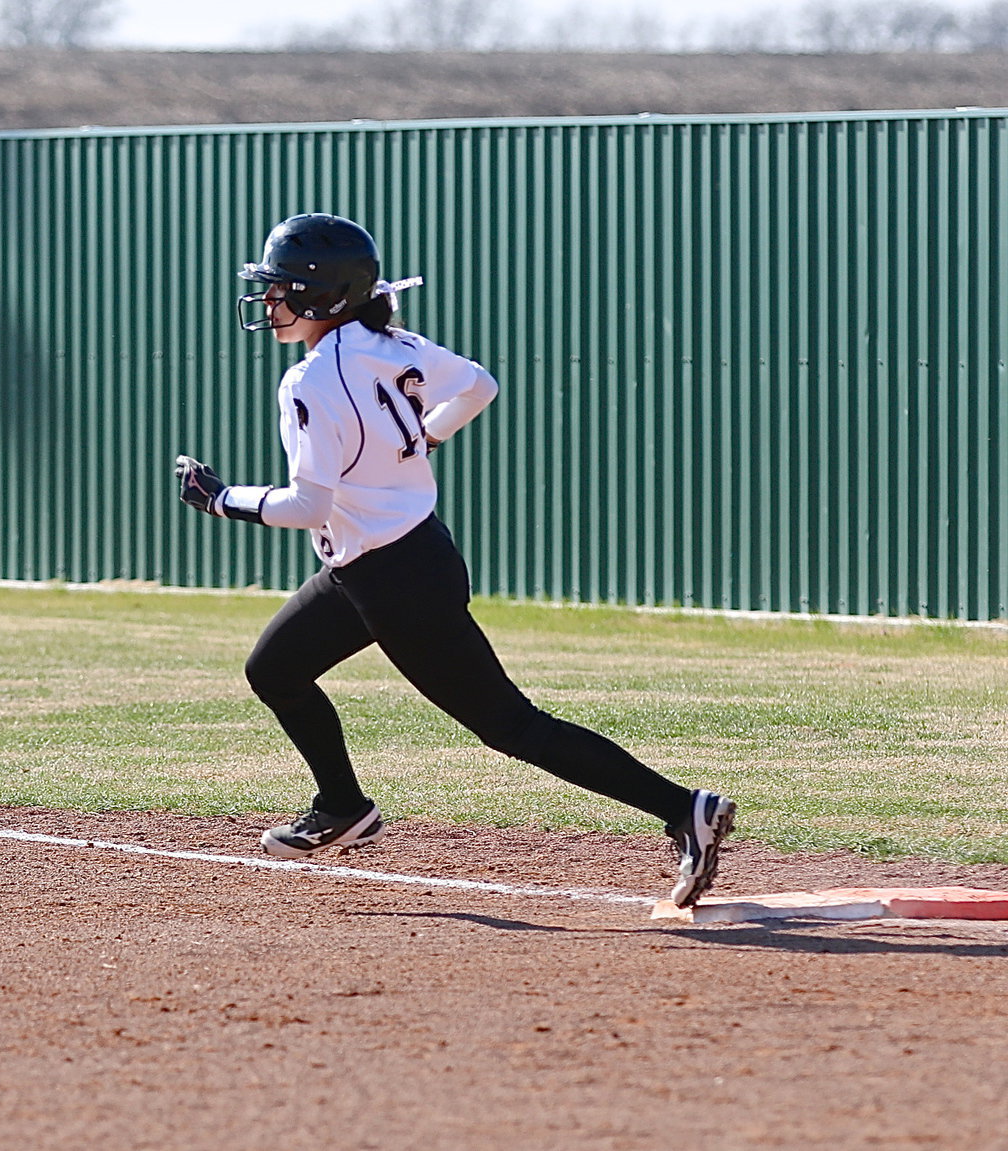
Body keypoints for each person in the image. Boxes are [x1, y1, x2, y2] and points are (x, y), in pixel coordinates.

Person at [175, 212, 735, 908]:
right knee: (275, 669)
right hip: (387, 561)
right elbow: (480, 385)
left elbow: (308, 505)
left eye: (281, 287)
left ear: (324, 296)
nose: (268, 302)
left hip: (397, 579)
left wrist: (223, 497)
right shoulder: (389, 341)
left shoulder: (309, 380)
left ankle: (686, 809)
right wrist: (424, 437)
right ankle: (344, 806)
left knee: (512, 726)